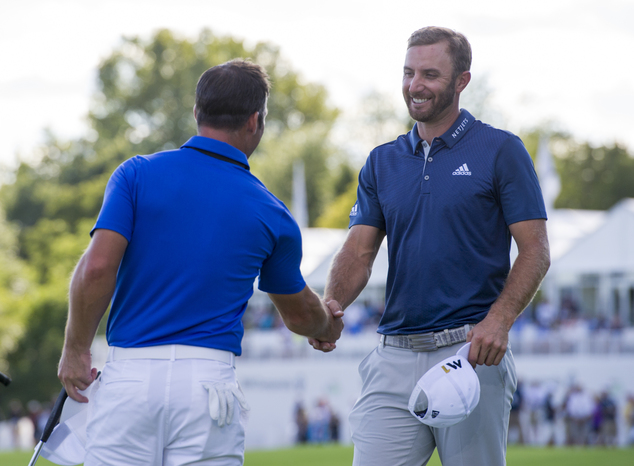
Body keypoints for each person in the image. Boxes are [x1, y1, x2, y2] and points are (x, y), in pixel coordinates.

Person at [57, 59, 343, 466]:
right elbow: (299, 315)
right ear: (255, 121)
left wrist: (75, 350)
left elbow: (97, 268)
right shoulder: (272, 212)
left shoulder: (135, 175)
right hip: (207, 387)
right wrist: (326, 326)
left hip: (130, 378)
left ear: (196, 113)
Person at [313, 26, 550, 466]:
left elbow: (536, 250)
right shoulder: (382, 160)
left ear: (461, 81)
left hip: (469, 356)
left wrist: (499, 321)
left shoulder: (501, 150)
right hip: (393, 356)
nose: (414, 86)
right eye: (407, 73)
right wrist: (331, 307)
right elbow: (358, 251)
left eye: (429, 74)